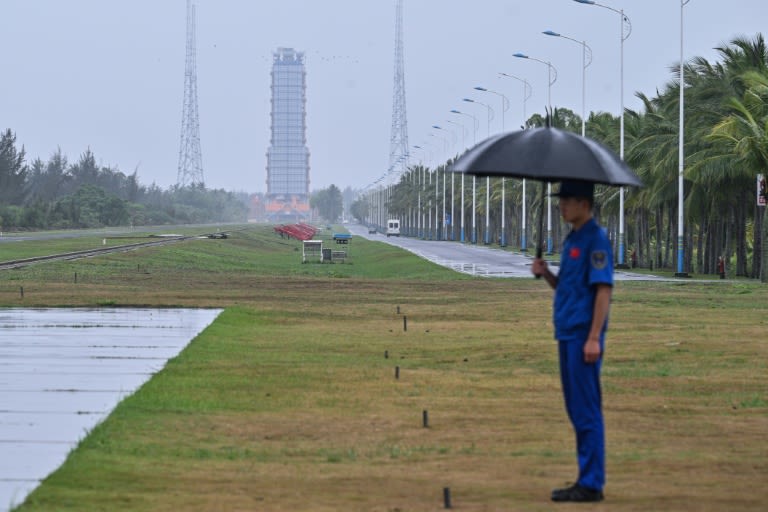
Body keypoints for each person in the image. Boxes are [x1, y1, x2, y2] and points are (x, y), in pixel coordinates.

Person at [531, 179, 613, 503]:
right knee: (575, 408)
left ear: (584, 203)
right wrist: (546, 273)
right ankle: (585, 476)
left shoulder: (596, 240)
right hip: (566, 332)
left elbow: (603, 291)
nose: (561, 206)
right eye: (560, 200)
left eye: (566, 200)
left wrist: (594, 337)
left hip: (582, 337)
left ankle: (591, 482)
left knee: (586, 409)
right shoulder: (572, 240)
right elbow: (567, 286)